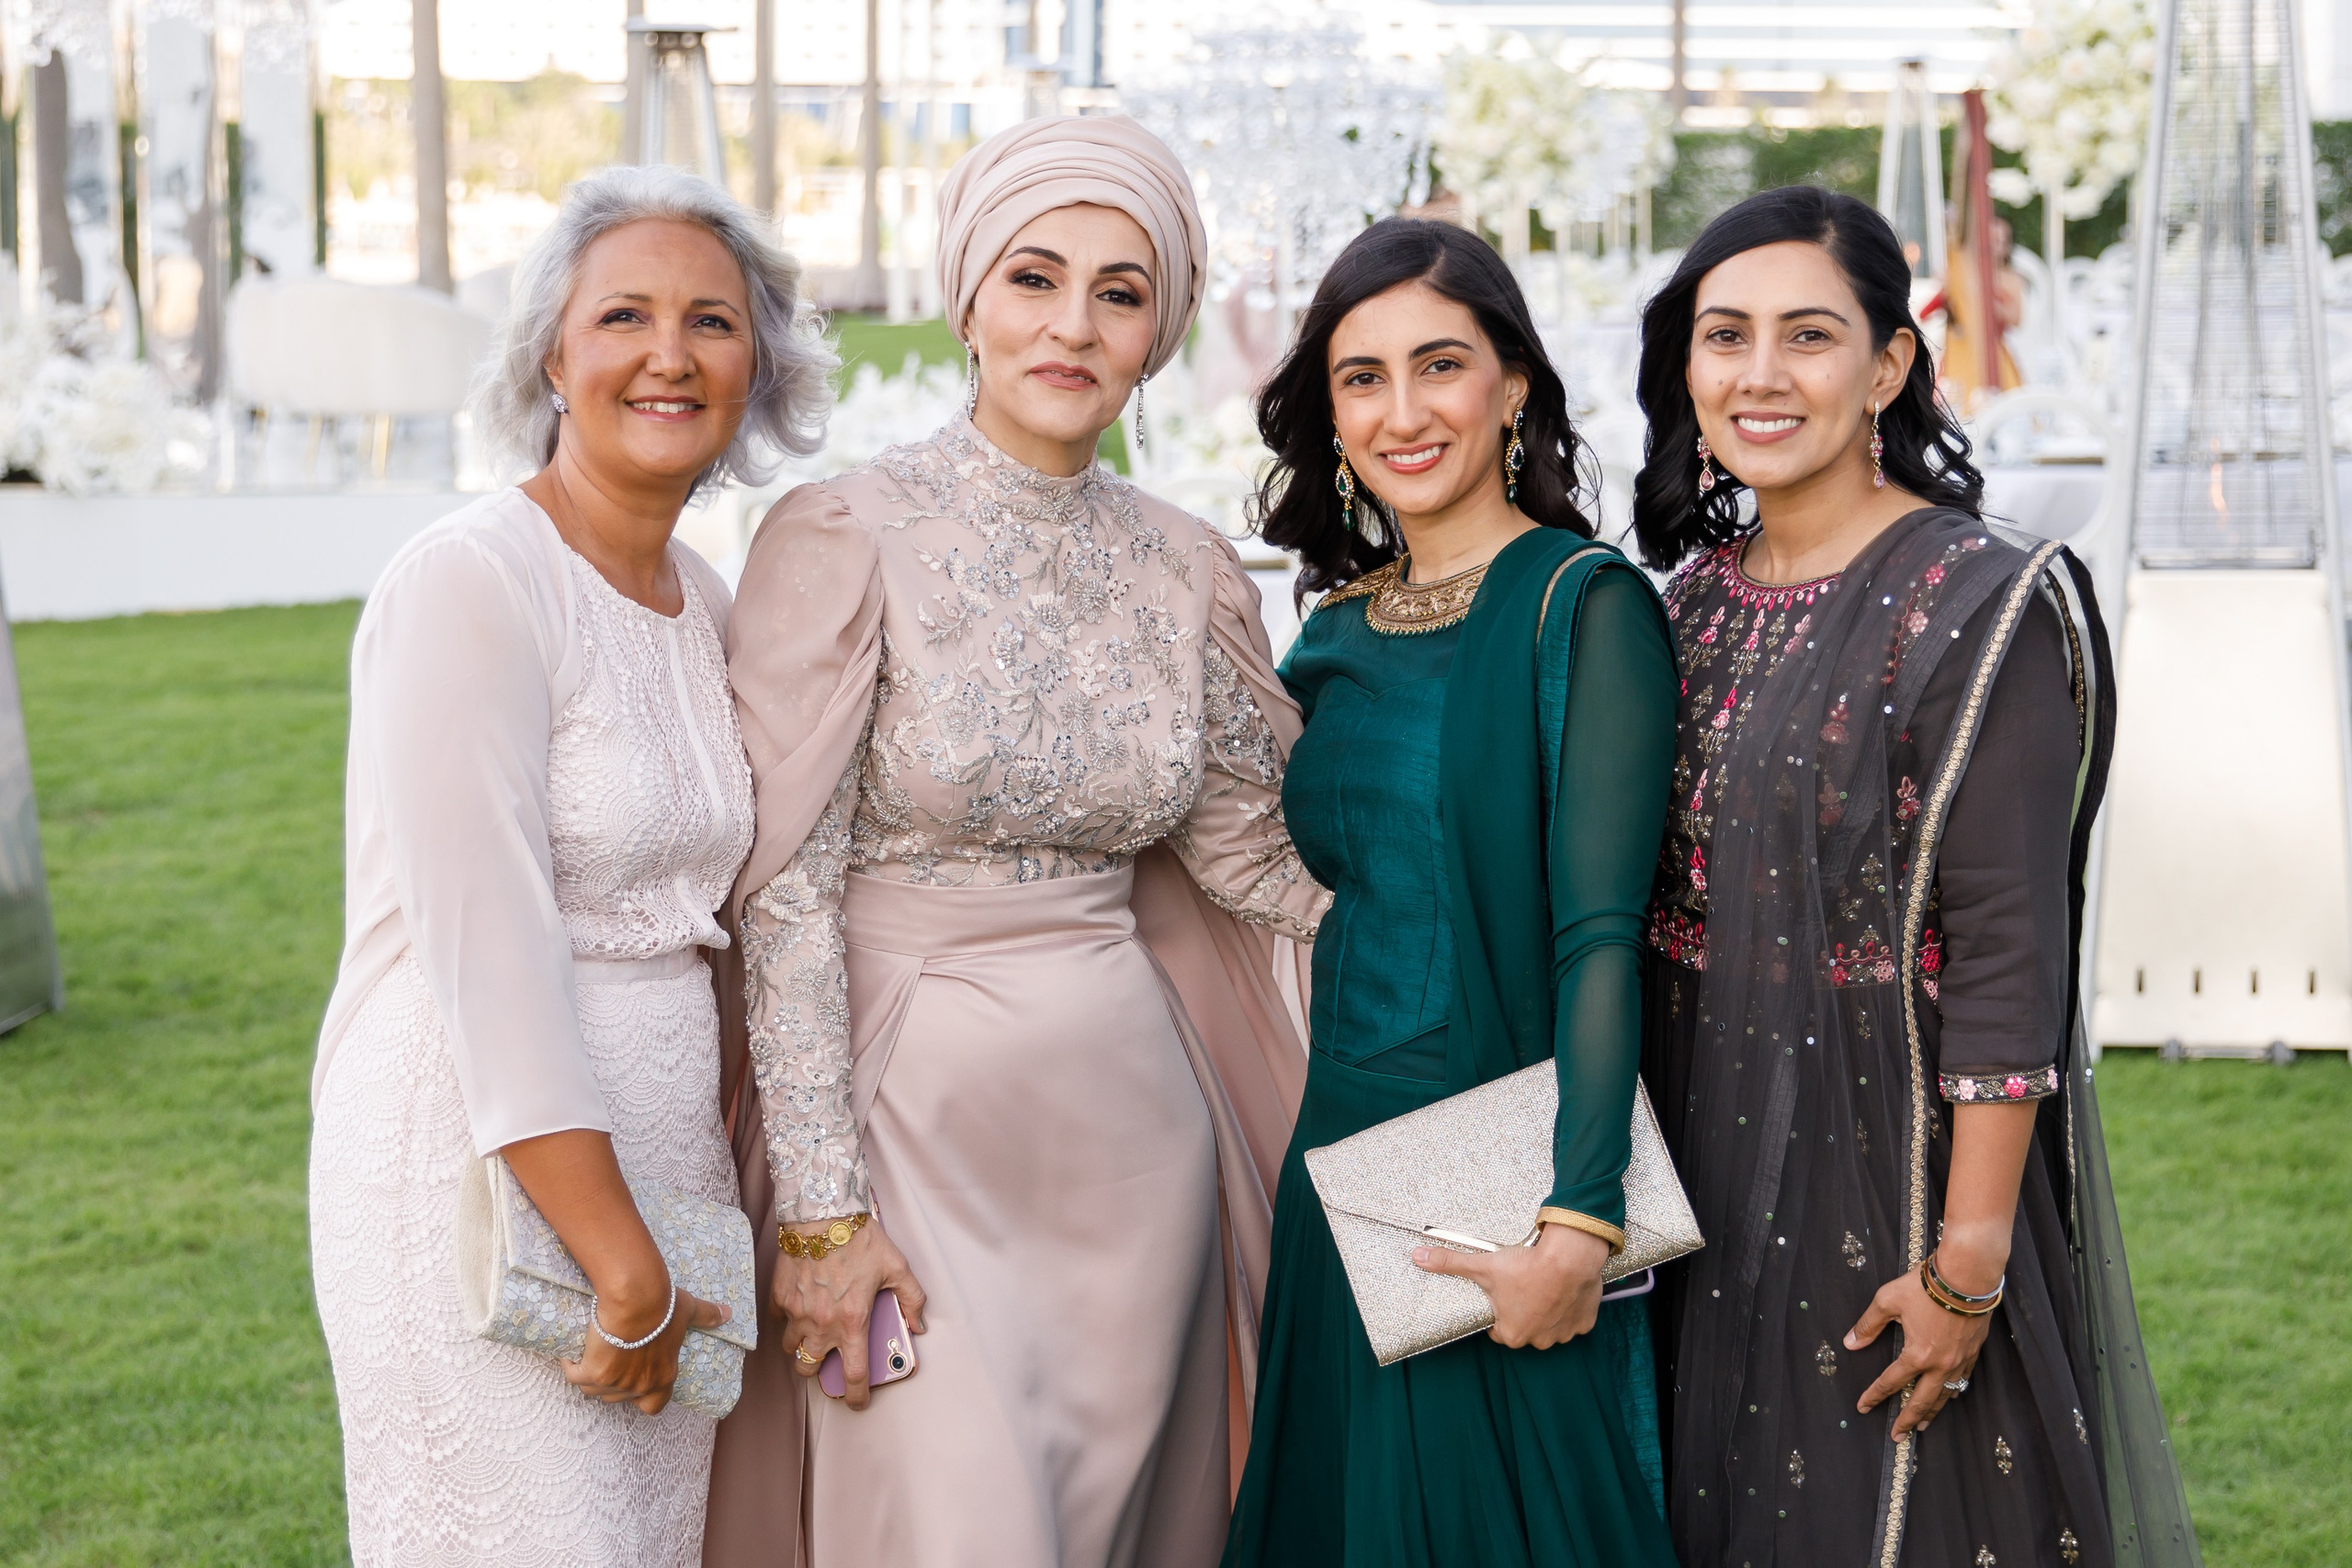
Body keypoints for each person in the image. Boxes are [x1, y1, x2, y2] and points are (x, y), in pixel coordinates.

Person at [701, 114, 1327, 1567]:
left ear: (1160, 333)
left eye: (1120, 292)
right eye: (1035, 278)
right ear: (968, 297)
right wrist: (818, 1219)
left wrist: (1476, 919)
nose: (1073, 324)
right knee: (952, 1522)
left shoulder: (1188, 566)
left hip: (1132, 1141)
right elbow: (786, 897)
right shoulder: (842, 535)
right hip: (904, 1122)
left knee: (1122, 1527)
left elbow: (1251, 857)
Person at [1630, 186, 2199, 1568]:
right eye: (1725, 337)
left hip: (1884, 1162)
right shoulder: (1683, 598)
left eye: (1808, 336)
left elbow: (2008, 953)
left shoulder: (1977, 600)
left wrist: (1967, 1261)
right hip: (1689, 1142)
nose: (1760, 376)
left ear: (1887, 366)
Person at [308, 166, 833, 1566]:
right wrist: (615, 1257)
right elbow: (489, 953)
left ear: (759, 364)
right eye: (625, 317)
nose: (670, 355)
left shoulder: (701, 598)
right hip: (479, 1166)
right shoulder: (469, 581)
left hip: (662, 1173)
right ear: (552, 353)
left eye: (712, 322)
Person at [1222, 217, 1679, 1568]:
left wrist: (1578, 1220)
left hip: (1497, 1172)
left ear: (1513, 384)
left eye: (1441, 366)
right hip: (1343, 1162)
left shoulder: (1583, 605)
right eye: (1363, 379)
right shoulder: (1335, 629)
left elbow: (1601, 936)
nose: (1403, 412)